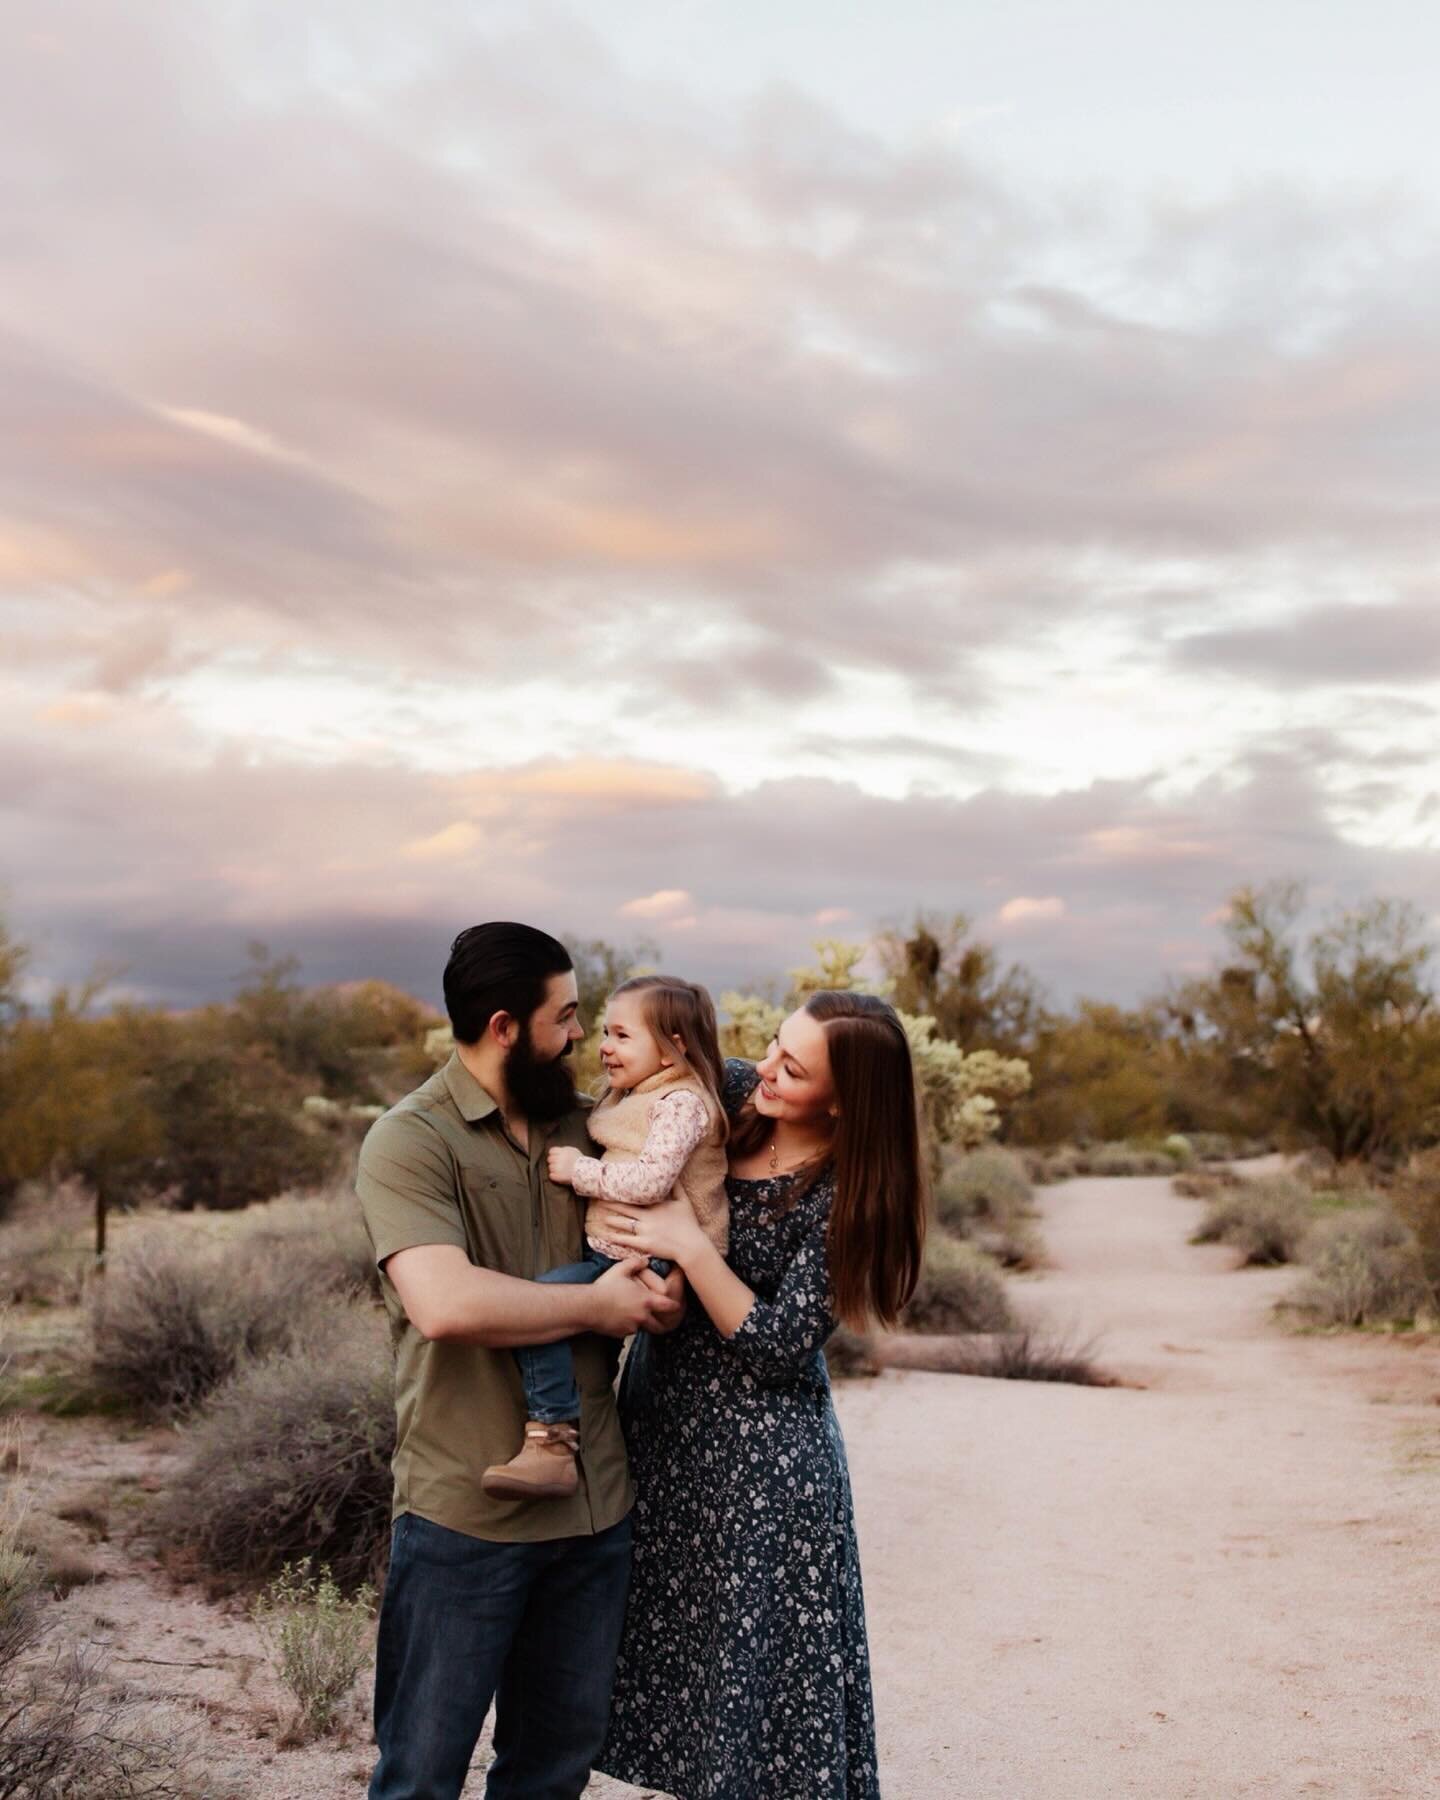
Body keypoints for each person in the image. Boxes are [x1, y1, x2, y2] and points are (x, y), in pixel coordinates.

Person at [354, 922, 683, 1800]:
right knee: (420, 1776)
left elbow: (691, 1135)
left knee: (550, 1775)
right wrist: (597, 1304)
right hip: (466, 1516)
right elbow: (446, 1304)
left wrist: (663, 1285)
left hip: (594, 1513)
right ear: (504, 1026)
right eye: (565, 1017)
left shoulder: (592, 1128)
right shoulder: (409, 1141)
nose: (579, 1036)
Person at [592, 989, 928, 1800]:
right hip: (665, 1434)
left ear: (846, 1100)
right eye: (775, 1046)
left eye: (794, 1068)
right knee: (680, 1682)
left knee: (758, 1705)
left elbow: (781, 1347)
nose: (765, 1071)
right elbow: (643, 1050)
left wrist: (686, 1248)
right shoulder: (728, 1094)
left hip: (766, 1473)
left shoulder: (851, 1193)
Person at [483, 974, 731, 1501]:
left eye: (621, 1036)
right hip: (620, 1252)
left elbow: (651, 1181)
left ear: (672, 1050)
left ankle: (551, 1439)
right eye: (605, 1033)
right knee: (546, 1313)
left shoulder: (680, 1103)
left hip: (647, 1262)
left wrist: (580, 1171)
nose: (604, 1047)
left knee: (542, 1308)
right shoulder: (638, 1094)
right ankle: (553, 1440)